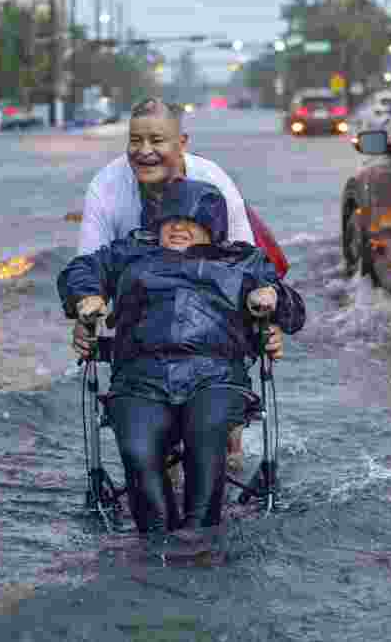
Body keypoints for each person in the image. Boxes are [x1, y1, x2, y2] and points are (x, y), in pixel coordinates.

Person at [58, 179, 306, 534]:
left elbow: (296, 314)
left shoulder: (243, 261)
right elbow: (79, 270)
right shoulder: (131, 252)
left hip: (216, 377)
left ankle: (200, 539)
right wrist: (86, 296)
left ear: (212, 227)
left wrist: (273, 296)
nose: (177, 227)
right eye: (169, 220)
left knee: (206, 442)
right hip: (139, 378)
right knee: (138, 451)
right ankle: (155, 541)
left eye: (190, 221)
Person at [72, 97, 286, 467]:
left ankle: (225, 443)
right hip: (146, 327)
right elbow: (88, 268)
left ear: (182, 143)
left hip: (211, 332)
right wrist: (84, 312)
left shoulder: (213, 182)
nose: (145, 152)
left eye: (157, 141)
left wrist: (268, 324)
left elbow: (247, 268)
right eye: (136, 142)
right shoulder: (106, 188)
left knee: (218, 435)